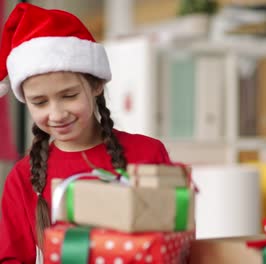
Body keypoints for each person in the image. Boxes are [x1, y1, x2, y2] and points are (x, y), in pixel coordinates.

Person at [0, 3, 173, 263]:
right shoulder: (22, 177)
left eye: (69, 96)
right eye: (40, 102)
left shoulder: (148, 153)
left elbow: (175, 242)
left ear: (97, 85)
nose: (57, 113)